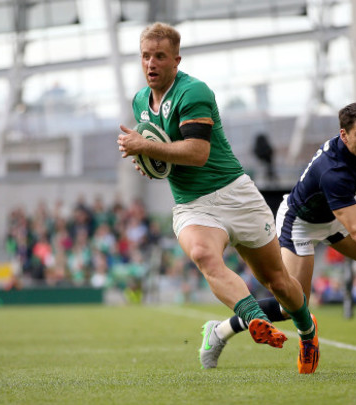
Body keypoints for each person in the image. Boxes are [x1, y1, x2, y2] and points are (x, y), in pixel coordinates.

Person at [115, 22, 319, 374]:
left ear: (176, 59)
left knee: (280, 283)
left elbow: (196, 153)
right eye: (145, 56)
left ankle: (307, 332)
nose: (151, 63)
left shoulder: (194, 92)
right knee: (203, 255)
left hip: (235, 193)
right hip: (192, 204)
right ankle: (256, 321)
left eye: (159, 56)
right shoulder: (139, 101)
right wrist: (148, 164)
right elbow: (163, 156)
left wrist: (143, 147)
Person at [200, 102, 356, 369]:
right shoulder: (334, 173)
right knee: (291, 306)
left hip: (333, 216)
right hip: (300, 222)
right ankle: (219, 332)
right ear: (344, 135)